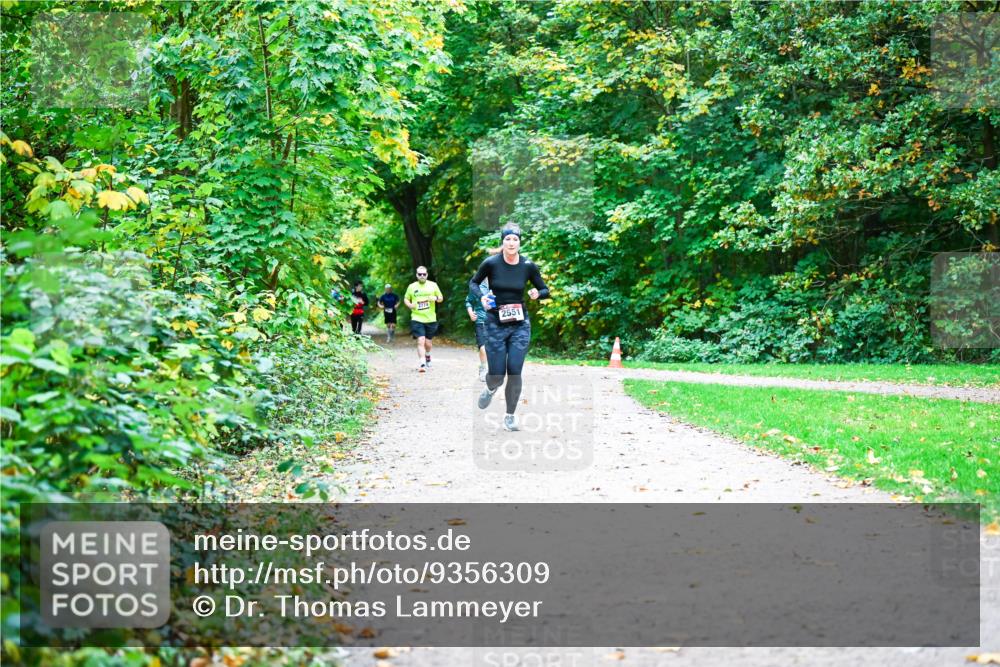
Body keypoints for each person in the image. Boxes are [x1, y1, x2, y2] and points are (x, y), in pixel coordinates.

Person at [469, 223, 550, 431]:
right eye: (508, 239)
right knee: (497, 374)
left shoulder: (528, 266)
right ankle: (490, 387)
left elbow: (544, 289)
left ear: (519, 242)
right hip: (495, 323)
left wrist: (537, 293)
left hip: (520, 325)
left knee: (515, 370)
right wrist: (483, 297)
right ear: (502, 242)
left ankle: (510, 416)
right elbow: (474, 283)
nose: (511, 242)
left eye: (515, 239)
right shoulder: (491, 263)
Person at [403, 266, 443, 373]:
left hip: (430, 318)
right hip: (417, 318)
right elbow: (406, 298)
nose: (422, 276)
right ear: (416, 275)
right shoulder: (412, 287)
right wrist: (410, 305)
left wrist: (435, 298)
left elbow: (440, 298)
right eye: (419, 274)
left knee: (428, 343)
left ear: (427, 275)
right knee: (421, 340)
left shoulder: (433, 285)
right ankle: (422, 363)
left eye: (424, 274)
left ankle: (428, 356)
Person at [465, 277, 490, 382]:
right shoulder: (477, 288)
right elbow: (468, 301)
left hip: (497, 323)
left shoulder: (500, 286)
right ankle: (483, 369)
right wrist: (470, 312)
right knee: (483, 347)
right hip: (481, 321)